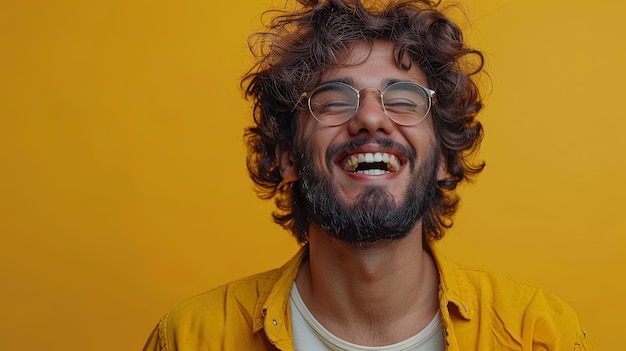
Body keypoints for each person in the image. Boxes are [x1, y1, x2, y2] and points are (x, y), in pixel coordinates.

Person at [143, 0, 593, 350]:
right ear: (288, 158)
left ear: (441, 157)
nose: (372, 119)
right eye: (335, 99)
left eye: (404, 98)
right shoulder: (189, 338)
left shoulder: (540, 333)